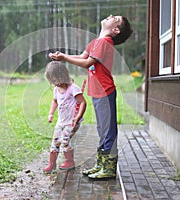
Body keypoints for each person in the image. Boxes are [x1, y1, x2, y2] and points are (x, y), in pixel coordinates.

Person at [49, 15, 133, 179]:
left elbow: (87, 63)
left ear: (115, 30)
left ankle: (108, 168)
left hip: (105, 91)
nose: (110, 16)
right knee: (102, 129)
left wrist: (65, 58)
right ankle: (101, 164)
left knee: (108, 130)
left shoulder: (104, 42)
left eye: (114, 18)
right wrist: (62, 56)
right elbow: (82, 57)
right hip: (97, 92)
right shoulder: (96, 42)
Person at [43, 61, 87, 173]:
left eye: (56, 80)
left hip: (72, 122)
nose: (54, 83)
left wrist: (78, 116)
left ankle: (69, 161)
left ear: (63, 76)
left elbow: (83, 102)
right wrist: (51, 114)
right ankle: (52, 164)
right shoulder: (56, 90)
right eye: (52, 81)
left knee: (65, 140)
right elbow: (54, 101)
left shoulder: (73, 88)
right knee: (55, 141)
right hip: (61, 122)